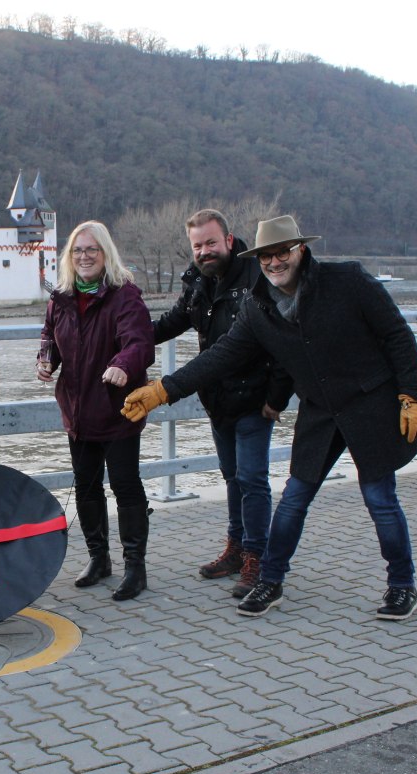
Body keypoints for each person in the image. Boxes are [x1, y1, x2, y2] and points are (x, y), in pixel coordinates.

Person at [123, 215, 417, 620]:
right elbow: (219, 356)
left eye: (282, 252)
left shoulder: (347, 281)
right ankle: (270, 580)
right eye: (266, 256)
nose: (274, 262)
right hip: (320, 410)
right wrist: (163, 390)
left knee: (380, 499)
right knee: (294, 499)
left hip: (368, 404)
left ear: (300, 249)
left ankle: (402, 586)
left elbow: (396, 334)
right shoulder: (258, 306)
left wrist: (412, 394)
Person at [153, 209, 292, 598]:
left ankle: (256, 558)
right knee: (232, 478)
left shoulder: (257, 280)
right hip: (217, 401)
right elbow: (171, 323)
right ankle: (236, 547)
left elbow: (283, 343)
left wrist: (276, 398)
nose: (204, 251)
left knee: (252, 480)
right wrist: (127, 343)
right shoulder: (198, 282)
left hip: (254, 399)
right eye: (197, 245)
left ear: (230, 241)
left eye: (211, 242)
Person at [38, 220, 155, 601]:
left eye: (92, 250)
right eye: (77, 250)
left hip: (116, 410)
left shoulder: (125, 296)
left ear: (106, 254)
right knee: (87, 488)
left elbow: (139, 342)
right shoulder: (61, 297)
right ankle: (98, 558)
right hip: (77, 412)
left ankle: (135, 567)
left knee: (125, 486)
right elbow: (49, 336)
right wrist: (46, 359)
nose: (84, 256)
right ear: (69, 257)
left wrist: (123, 364)